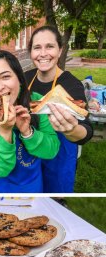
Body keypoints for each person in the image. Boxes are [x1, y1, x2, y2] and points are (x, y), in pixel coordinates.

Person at [0, 51, 60, 192]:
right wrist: (5, 132)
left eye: (5, 77)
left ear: (19, 78)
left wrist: (27, 132)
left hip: (32, 187)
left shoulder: (37, 102)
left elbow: (51, 151)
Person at [25, 25, 94, 193]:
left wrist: (71, 130)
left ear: (60, 50)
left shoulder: (71, 85)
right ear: (31, 52)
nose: (43, 54)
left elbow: (86, 130)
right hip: (29, 153)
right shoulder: (25, 78)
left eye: (49, 46)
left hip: (59, 158)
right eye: (37, 48)